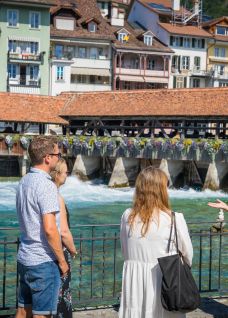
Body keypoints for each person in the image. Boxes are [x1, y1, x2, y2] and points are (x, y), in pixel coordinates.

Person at [119, 167, 193, 318]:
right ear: (161, 190)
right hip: (165, 282)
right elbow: (188, 256)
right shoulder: (174, 218)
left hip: (135, 283)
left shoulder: (127, 216)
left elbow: (125, 250)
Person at [16, 136, 69, 318]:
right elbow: (50, 229)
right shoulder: (46, 186)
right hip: (43, 261)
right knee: (42, 315)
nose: (58, 157)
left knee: (23, 311)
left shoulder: (24, 182)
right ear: (47, 157)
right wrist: (62, 261)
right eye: (57, 154)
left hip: (24, 257)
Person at [50, 159, 77, 318]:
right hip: (60, 251)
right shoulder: (57, 197)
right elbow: (64, 232)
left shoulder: (46, 192)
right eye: (65, 172)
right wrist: (73, 250)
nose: (67, 174)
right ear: (57, 174)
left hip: (48, 252)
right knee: (61, 295)